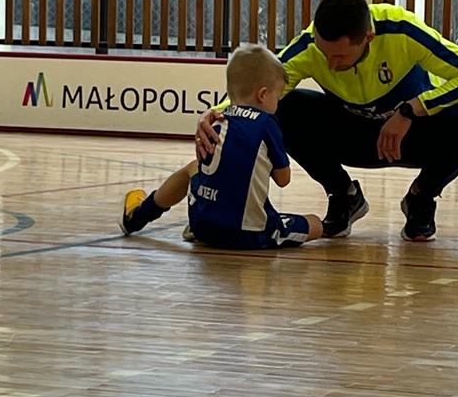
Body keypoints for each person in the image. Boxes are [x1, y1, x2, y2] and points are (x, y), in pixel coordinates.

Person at [197, 0, 458, 242]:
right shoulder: (309, 46)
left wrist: (410, 110)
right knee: (284, 107)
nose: (330, 63)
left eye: (339, 56)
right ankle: (344, 194)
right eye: (324, 53)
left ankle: (421, 197)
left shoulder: (403, 31)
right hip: (355, 136)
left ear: (368, 37)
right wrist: (217, 113)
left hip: (411, 136)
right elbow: (257, 91)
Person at [120, 43, 323, 250]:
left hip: (202, 225)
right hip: (252, 233)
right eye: (277, 97)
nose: (278, 104)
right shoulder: (267, 123)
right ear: (262, 95)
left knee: (192, 168)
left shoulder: (217, 120)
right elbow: (283, 180)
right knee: (315, 223)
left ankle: (137, 216)